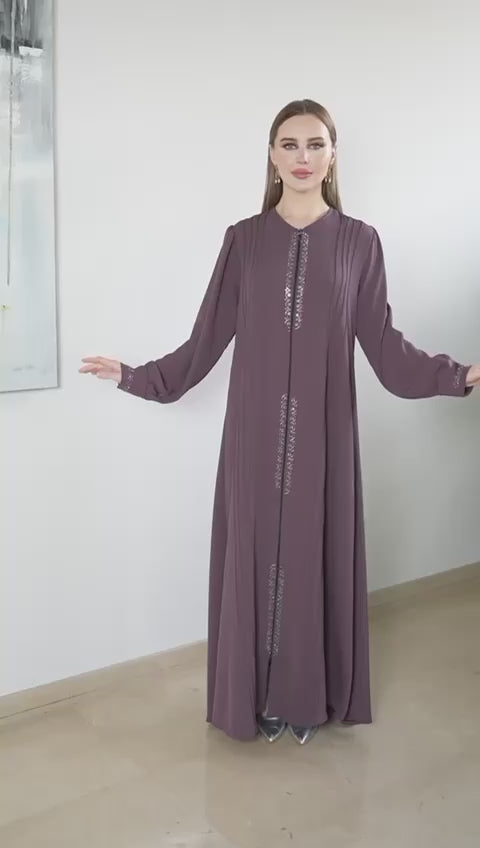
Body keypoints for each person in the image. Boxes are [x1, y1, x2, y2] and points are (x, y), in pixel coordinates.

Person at [80, 99, 480, 746]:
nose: (302, 157)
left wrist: (457, 375)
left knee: (310, 555)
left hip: (325, 437)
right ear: (271, 156)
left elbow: (384, 345)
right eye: (289, 144)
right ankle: (257, 697)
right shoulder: (244, 240)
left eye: (315, 144)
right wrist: (136, 375)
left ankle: (304, 699)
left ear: (333, 156)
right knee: (258, 558)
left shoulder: (359, 242)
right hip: (254, 438)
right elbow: (206, 339)